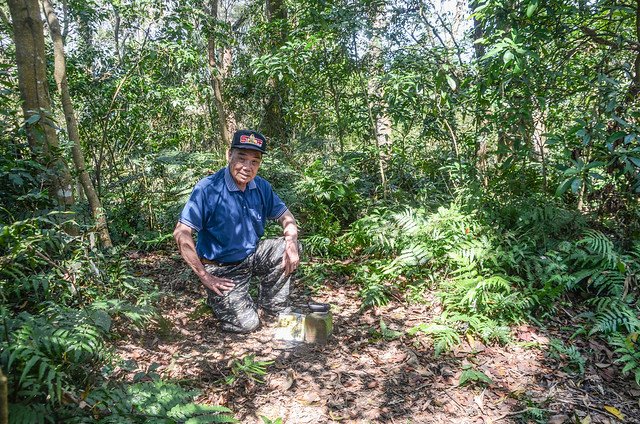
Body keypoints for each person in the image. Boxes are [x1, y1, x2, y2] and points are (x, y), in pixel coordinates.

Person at [173, 129, 300, 333]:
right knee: (248, 324)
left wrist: (292, 242)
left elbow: (287, 217)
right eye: (242, 158)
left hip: (251, 256)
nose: (247, 167)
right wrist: (205, 276)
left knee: (284, 246)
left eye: (254, 161)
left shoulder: (261, 187)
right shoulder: (208, 189)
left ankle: (273, 309)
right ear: (228, 155)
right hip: (222, 268)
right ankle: (228, 302)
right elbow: (181, 232)